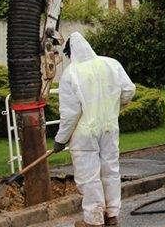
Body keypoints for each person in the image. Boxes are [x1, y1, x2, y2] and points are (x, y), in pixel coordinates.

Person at [54, 32, 135, 227]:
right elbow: (128, 90)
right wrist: (115, 107)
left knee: (88, 176)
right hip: (109, 128)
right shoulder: (111, 64)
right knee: (110, 170)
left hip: (84, 133)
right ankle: (112, 214)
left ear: (70, 52)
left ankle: (93, 219)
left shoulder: (71, 73)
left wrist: (60, 139)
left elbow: (71, 114)